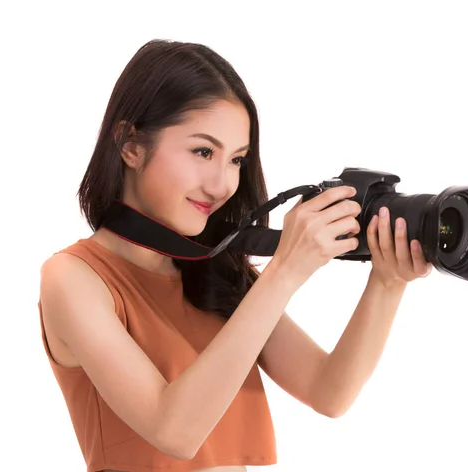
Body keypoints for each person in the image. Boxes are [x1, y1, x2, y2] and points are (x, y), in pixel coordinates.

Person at [38, 39, 432, 472]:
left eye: (237, 160)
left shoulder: (218, 270)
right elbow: (174, 431)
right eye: (203, 151)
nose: (223, 184)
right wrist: (285, 271)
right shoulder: (73, 278)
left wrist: (388, 281)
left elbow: (329, 392)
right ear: (130, 145)